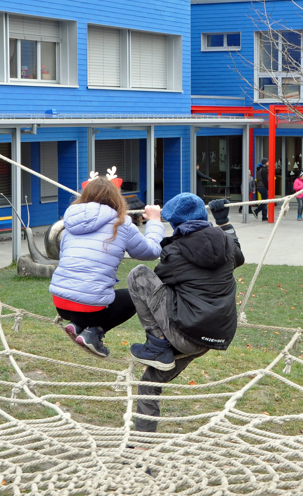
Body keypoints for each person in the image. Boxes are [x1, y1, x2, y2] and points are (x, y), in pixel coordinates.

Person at [125, 195, 244, 432]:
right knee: (149, 382)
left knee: (139, 274)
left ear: (177, 223)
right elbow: (238, 257)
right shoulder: (226, 243)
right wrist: (224, 223)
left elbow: (160, 282)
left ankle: (157, 342)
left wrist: (159, 233)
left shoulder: (176, 250)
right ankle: (141, 450)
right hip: (214, 336)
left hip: (186, 333)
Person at [48, 177, 164, 357]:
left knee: (90, 295)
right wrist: (155, 221)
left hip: (60, 303)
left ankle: (77, 324)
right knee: (137, 295)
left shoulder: (70, 222)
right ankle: (94, 333)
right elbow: (151, 251)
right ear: (116, 198)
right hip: (91, 307)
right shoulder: (122, 223)